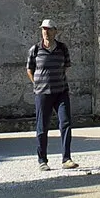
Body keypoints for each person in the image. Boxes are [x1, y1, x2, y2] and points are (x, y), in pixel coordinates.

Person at [27, 18, 75, 169]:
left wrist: (56, 78)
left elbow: (66, 66)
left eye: (48, 29)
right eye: (43, 29)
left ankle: (66, 159)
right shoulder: (35, 49)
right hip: (42, 93)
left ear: (55, 31)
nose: (46, 32)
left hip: (61, 91)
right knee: (42, 126)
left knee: (65, 123)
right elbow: (29, 69)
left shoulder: (62, 48)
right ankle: (42, 161)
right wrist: (37, 83)